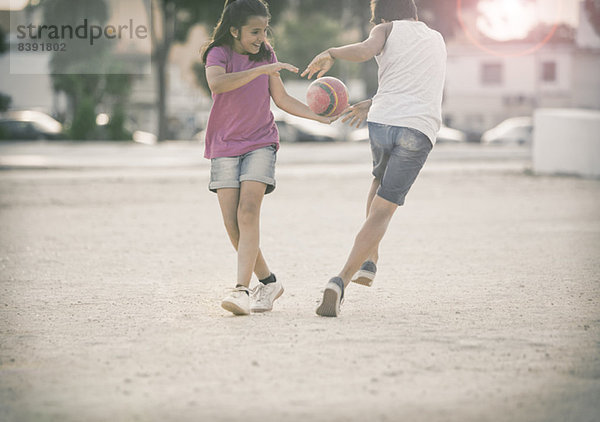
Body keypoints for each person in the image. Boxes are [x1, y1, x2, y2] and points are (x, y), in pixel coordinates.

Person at [301, 0, 447, 317]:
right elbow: (417, 85)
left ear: (381, 17)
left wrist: (334, 51)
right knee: (383, 211)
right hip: (418, 130)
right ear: (414, 12)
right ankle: (341, 279)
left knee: (377, 183)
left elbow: (367, 51)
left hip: (383, 123)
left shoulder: (385, 28)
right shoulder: (436, 39)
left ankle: (370, 260)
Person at [202, 0, 333, 316]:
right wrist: (260, 68)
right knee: (233, 226)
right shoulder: (218, 53)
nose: (261, 38)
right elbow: (217, 83)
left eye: (264, 31)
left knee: (248, 212)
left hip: (261, 142)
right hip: (223, 146)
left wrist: (318, 117)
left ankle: (241, 290)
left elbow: (283, 98)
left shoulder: (266, 54)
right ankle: (269, 281)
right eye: (254, 31)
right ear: (234, 30)